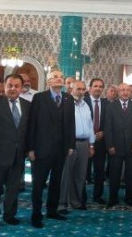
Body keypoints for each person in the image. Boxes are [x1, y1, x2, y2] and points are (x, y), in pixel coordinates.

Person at [0, 74, 31, 229]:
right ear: (4, 85)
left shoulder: (27, 105)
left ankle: (10, 215)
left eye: (16, 86)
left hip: (18, 155)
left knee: (13, 188)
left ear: (21, 88)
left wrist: (29, 150)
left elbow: (29, 130)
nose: (13, 89)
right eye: (10, 85)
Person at [27, 70, 75, 228]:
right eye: (55, 77)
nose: (59, 79)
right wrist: (30, 148)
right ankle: (36, 215)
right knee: (38, 184)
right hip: (41, 149)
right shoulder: (39, 98)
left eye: (61, 77)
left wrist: (71, 145)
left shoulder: (68, 98)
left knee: (56, 182)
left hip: (61, 149)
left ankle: (52, 211)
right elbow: (32, 123)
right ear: (48, 81)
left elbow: (71, 124)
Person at [58, 81, 95, 213]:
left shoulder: (86, 105)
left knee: (80, 175)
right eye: (78, 89)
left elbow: (90, 125)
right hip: (70, 144)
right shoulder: (65, 103)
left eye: (83, 89)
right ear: (71, 89)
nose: (81, 91)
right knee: (65, 174)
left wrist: (91, 144)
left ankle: (76, 202)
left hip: (84, 143)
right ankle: (62, 203)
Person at [104, 83, 132, 208]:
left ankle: (130, 198)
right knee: (114, 174)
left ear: (131, 92)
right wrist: (110, 145)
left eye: (127, 90)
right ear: (118, 92)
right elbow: (108, 127)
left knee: (131, 174)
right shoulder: (110, 107)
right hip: (115, 145)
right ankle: (113, 198)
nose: (125, 92)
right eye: (122, 90)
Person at [84, 78, 108, 205]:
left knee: (99, 171)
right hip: (85, 141)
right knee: (83, 171)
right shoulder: (83, 101)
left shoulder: (107, 103)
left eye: (100, 86)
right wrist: (90, 135)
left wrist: (103, 132)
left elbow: (110, 122)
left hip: (100, 142)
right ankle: (80, 196)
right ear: (90, 88)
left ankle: (98, 195)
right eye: (95, 86)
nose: (98, 88)